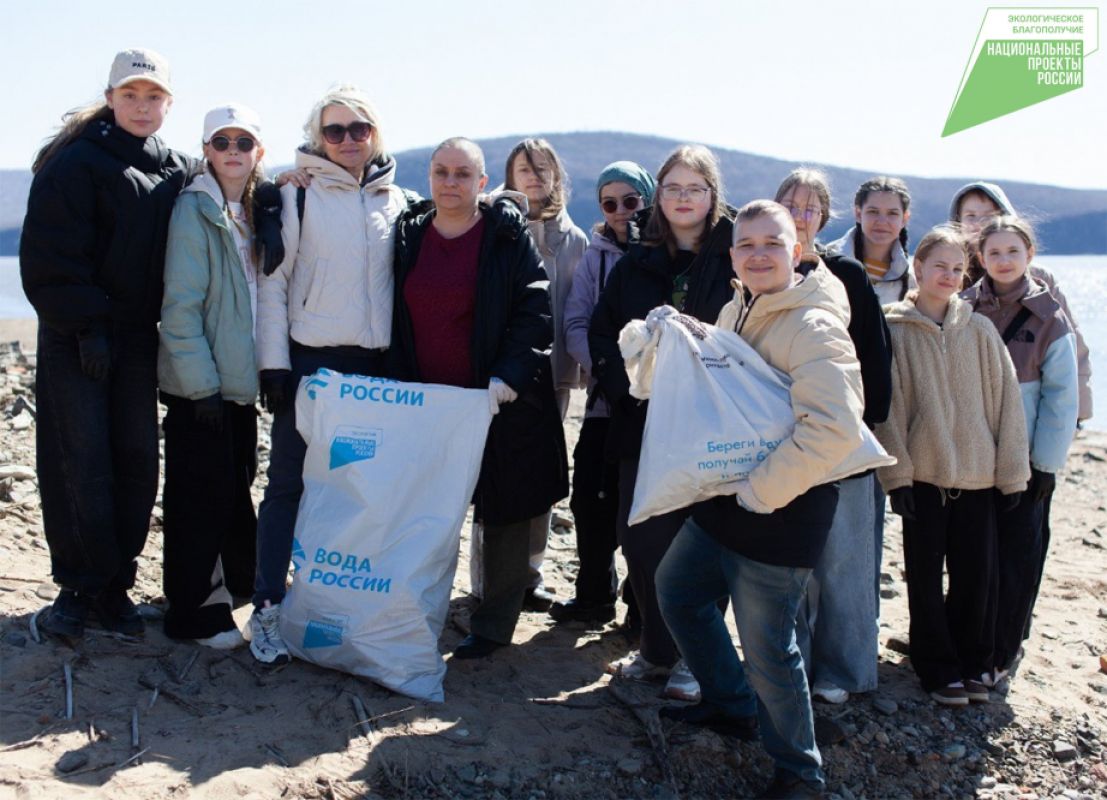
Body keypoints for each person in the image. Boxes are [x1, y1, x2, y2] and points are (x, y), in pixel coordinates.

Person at [657, 200, 869, 799]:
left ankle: (801, 772)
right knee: (679, 591)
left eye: (771, 243)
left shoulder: (815, 324)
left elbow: (833, 430)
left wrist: (758, 492)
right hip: (728, 495)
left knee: (771, 648)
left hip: (783, 508)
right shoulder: (736, 305)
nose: (758, 254)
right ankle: (731, 704)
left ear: (796, 251)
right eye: (746, 244)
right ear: (732, 255)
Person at [19, 48, 194, 639]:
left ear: (169, 103)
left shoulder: (174, 168)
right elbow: (49, 255)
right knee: (78, 458)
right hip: (77, 337)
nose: (141, 107)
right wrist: (86, 326)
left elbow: (231, 193)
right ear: (111, 96)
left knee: (136, 459)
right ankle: (77, 586)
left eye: (153, 97)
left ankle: (116, 584)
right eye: (130, 96)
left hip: (138, 339)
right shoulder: (74, 163)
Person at [389, 137, 568, 659]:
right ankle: (421, 605)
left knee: (505, 512)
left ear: (483, 183)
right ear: (429, 178)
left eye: (463, 174)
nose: (451, 183)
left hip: (497, 399)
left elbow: (535, 310)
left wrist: (507, 378)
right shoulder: (410, 234)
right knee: (429, 508)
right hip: (428, 401)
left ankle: (493, 625)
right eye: (441, 172)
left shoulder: (505, 236)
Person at [251, 85, 409, 664]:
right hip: (312, 362)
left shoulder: (399, 201)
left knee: (356, 493)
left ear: (375, 134)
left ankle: (335, 606)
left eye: (358, 130)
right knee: (288, 484)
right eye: (335, 131)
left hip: (374, 370)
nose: (347, 141)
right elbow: (274, 284)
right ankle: (268, 607)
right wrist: (274, 365)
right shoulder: (296, 198)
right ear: (318, 137)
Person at [589, 145, 735, 703]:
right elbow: (602, 334)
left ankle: (696, 661)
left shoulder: (732, 259)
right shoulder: (637, 262)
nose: (682, 198)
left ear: (712, 196)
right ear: (659, 198)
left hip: (712, 425)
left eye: (694, 188)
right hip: (642, 422)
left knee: (702, 541)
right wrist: (627, 387)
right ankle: (655, 648)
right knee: (642, 538)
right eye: (672, 188)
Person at [876, 226, 1029, 706]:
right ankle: (936, 666)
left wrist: (1012, 474)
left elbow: (1007, 404)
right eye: (938, 265)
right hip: (923, 476)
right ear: (917, 268)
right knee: (923, 576)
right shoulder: (894, 328)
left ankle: (973, 662)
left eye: (957, 267)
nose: (948, 275)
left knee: (975, 577)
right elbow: (891, 408)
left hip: (979, 476)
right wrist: (896, 476)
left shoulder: (979, 329)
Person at [158, 104, 274, 648]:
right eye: (221, 141)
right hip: (200, 388)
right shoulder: (195, 209)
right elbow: (180, 308)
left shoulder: (253, 210)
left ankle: (230, 595)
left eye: (243, 142)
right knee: (197, 499)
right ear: (205, 149)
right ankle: (193, 616)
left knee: (233, 489)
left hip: (237, 385)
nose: (232, 150)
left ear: (258, 153)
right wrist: (199, 386)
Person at [774, 169, 892, 705]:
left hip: (843, 438)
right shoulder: (760, 269)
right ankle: (787, 663)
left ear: (824, 218)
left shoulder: (846, 273)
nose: (799, 217)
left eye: (809, 209)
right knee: (786, 565)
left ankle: (844, 672)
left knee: (844, 564)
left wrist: (862, 422)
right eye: (789, 207)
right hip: (777, 440)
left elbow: (875, 355)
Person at [962, 216, 1079, 687]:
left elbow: (1062, 397)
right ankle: (969, 645)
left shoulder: (1049, 315)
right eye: (994, 253)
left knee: (1017, 558)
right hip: (972, 456)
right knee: (973, 556)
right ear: (981, 258)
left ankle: (1002, 655)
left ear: (1029, 254)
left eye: (1013, 252)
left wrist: (1046, 465)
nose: (1003, 261)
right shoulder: (964, 308)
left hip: (1026, 460)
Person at [551, 161, 656, 627]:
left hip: (660, 400)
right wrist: (607, 369)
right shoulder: (594, 257)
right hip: (603, 398)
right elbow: (576, 323)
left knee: (646, 502)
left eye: (630, 201)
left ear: (649, 200)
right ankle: (594, 594)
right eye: (608, 203)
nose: (620, 212)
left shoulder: (663, 251)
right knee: (590, 498)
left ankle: (641, 605)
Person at [500, 138, 588, 611]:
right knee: (493, 477)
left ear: (556, 176)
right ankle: (488, 580)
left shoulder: (574, 239)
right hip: (497, 372)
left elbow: (577, 308)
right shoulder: (491, 221)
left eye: (542, 168)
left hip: (551, 376)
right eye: (523, 168)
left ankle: (529, 575)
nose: (533, 176)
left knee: (542, 476)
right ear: (510, 175)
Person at [948, 181, 1092, 423]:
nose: (980, 223)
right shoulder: (948, 277)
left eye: (990, 215)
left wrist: (1077, 413)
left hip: (1029, 410)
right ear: (958, 223)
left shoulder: (1040, 279)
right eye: (971, 216)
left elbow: (1071, 346)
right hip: (968, 415)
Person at [827, 176, 916, 305]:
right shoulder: (828, 261)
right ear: (858, 214)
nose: (882, 222)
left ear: (904, 219)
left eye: (892, 213)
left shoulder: (912, 281)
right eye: (873, 211)